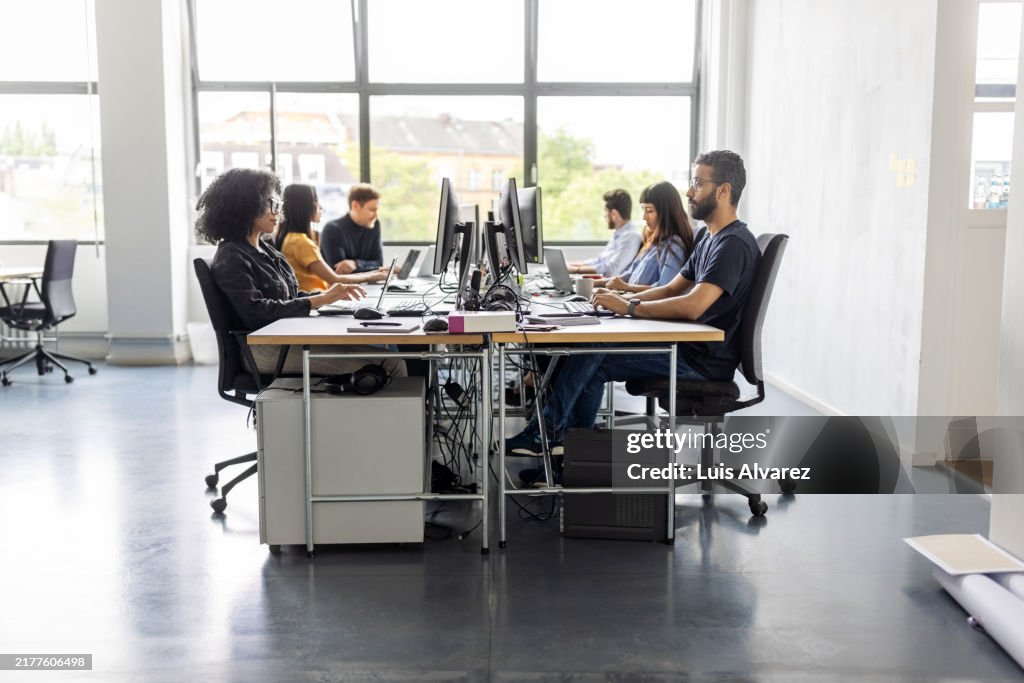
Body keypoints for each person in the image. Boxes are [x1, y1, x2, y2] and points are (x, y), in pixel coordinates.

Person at [506, 151, 759, 463]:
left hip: (702, 361)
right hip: (692, 349)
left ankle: (543, 435)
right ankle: (570, 461)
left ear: (723, 190)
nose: (689, 191)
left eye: (697, 183)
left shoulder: (733, 243)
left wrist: (628, 309)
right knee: (591, 356)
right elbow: (670, 288)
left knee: (594, 347)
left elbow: (694, 305)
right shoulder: (710, 237)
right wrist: (624, 301)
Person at [198, 168, 406, 379]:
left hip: (285, 338)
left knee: (387, 356)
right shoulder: (231, 256)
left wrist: (329, 298)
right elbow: (257, 313)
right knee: (391, 365)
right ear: (248, 205)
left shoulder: (265, 248)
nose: (278, 211)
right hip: (264, 350)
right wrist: (320, 299)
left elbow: (287, 298)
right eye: (272, 203)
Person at [275, 184, 387, 291]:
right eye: (316, 202)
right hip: (315, 302)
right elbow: (335, 278)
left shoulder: (294, 238)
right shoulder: (300, 241)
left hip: (321, 296)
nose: (320, 207)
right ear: (305, 207)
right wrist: (372, 276)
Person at [598, 181, 694, 291]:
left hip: (641, 304)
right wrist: (596, 283)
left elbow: (665, 289)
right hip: (629, 298)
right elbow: (629, 274)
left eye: (649, 210)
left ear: (665, 213)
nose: (644, 217)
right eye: (643, 210)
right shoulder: (653, 242)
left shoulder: (673, 246)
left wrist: (627, 287)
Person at [567, 189, 642, 277]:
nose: (604, 215)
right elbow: (599, 260)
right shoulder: (618, 234)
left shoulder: (631, 237)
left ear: (614, 214)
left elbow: (611, 270)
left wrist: (576, 270)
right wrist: (571, 265)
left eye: (606, 211)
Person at [319, 183, 387, 275]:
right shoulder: (332, 230)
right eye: (372, 210)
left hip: (369, 284)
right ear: (355, 205)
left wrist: (356, 263)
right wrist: (372, 268)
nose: (376, 215)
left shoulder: (375, 225)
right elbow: (339, 271)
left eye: (377, 210)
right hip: (342, 287)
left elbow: (379, 263)